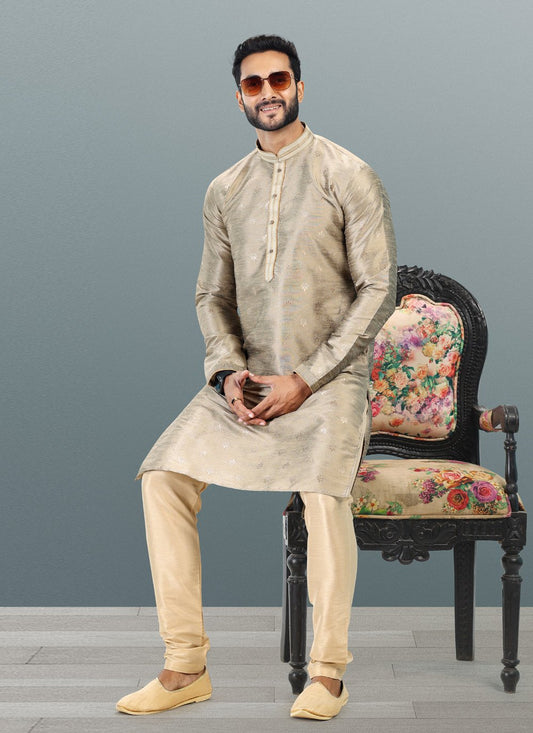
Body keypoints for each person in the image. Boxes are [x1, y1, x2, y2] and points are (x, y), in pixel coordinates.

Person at [116, 34, 396, 721]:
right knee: (161, 476)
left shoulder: (347, 174)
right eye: (253, 83)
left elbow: (378, 288)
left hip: (329, 384)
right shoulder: (225, 189)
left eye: (278, 79)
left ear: (299, 86)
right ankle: (184, 665)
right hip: (248, 384)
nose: (267, 92)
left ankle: (327, 673)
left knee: (324, 494)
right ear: (238, 96)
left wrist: (307, 378)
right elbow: (211, 295)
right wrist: (227, 373)